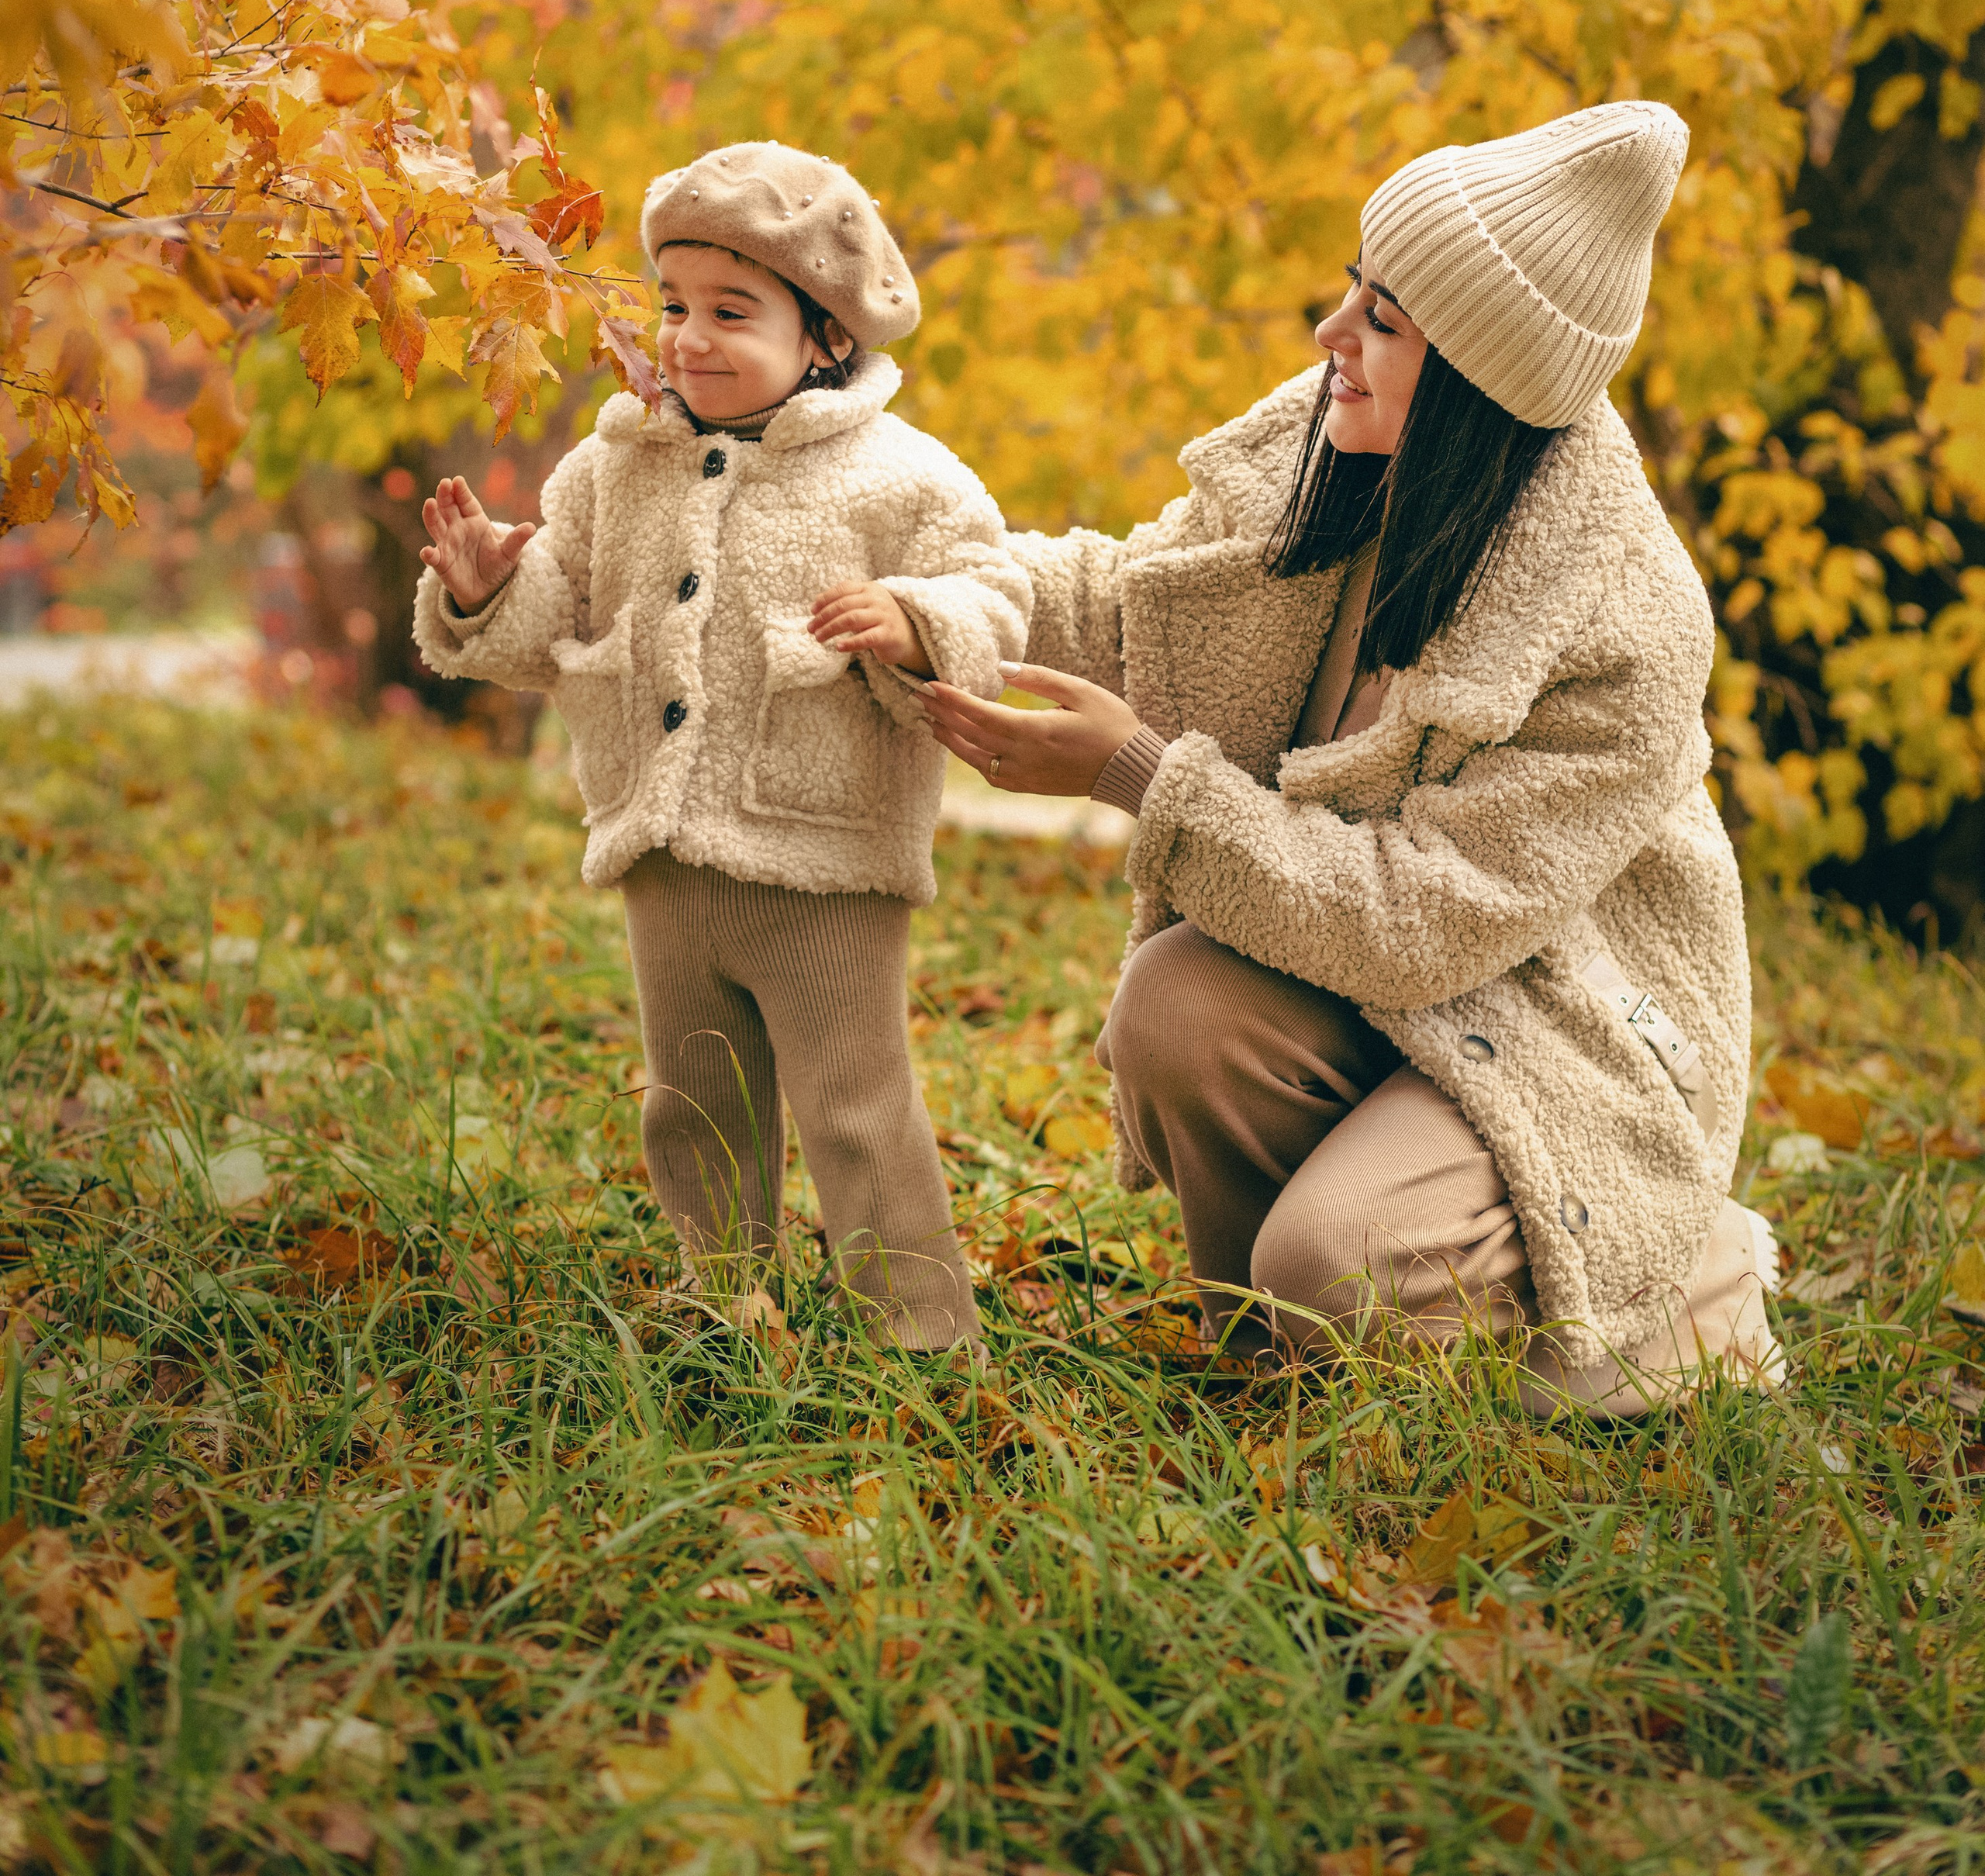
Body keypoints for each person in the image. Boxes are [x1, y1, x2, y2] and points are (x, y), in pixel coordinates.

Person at [920, 102, 1780, 1412]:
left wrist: (1136, 777)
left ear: (1484, 378)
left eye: (1382, 320)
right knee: (1175, 1008)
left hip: (1550, 1021)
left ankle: (1677, 1290)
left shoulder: (1625, 625)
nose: (1332, 338)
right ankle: (1280, 1354)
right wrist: (931, 596)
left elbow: (1421, 923)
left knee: (1339, 1263)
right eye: (1350, 293)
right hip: (1372, 987)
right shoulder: (1332, 444)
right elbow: (1128, 597)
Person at [414, 141, 1027, 1349]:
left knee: (852, 1105)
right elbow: (562, 616)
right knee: (693, 1101)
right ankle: (724, 1301)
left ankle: (919, 1330)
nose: (690, 338)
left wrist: (916, 622)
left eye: (731, 312)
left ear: (825, 338)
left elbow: (995, 598)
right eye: (673, 307)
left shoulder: (899, 476)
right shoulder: (613, 465)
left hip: (827, 855)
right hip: (663, 845)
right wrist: (492, 596)